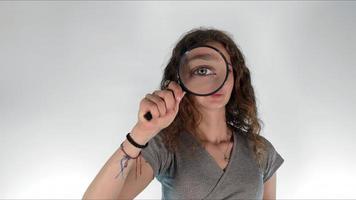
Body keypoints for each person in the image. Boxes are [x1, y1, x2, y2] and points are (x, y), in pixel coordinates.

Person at [82, 27, 284, 200]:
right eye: (202, 71)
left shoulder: (261, 151)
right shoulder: (167, 147)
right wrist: (141, 132)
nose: (216, 81)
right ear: (180, 79)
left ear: (236, 78)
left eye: (226, 70)